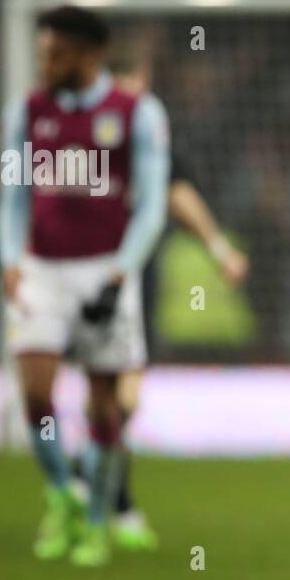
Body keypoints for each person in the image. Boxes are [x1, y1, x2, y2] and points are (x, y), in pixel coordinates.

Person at [0, 5, 169, 567]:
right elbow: (15, 195)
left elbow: (149, 205)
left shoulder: (135, 113)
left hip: (106, 267)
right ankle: (60, 493)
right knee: (36, 394)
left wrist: (122, 271)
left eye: (57, 53)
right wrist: (9, 257)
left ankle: (97, 521)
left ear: (89, 55)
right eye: (43, 51)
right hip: (41, 266)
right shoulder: (25, 110)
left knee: (103, 409)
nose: (45, 62)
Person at [67, 53, 251, 552]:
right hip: (91, 271)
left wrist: (217, 248)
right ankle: (112, 500)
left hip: (137, 274)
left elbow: (177, 191)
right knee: (109, 387)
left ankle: (88, 476)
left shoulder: (150, 135)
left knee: (123, 397)